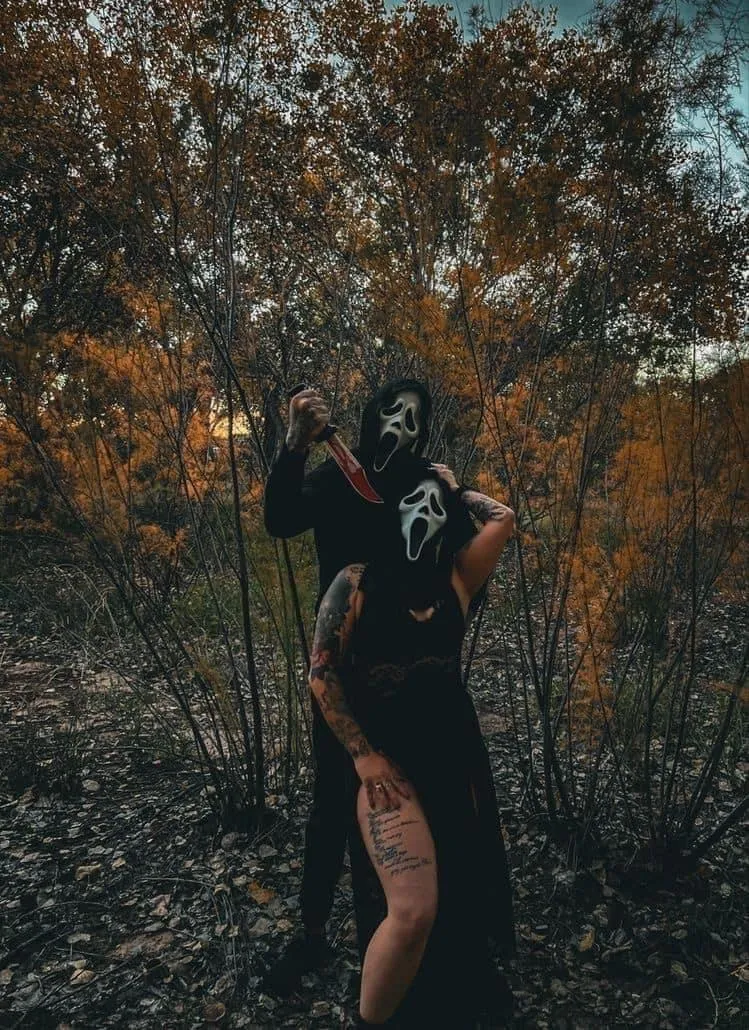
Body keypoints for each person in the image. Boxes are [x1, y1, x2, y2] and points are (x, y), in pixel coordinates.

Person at [262, 382, 514, 1006]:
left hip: (419, 678)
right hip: (345, 670)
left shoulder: (426, 481)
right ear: (372, 416)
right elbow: (280, 518)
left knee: (443, 815)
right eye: (391, 412)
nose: (400, 424)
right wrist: (294, 442)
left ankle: (448, 956)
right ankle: (314, 932)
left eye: (414, 416)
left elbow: (460, 552)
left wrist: (453, 489)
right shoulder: (336, 479)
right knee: (333, 804)